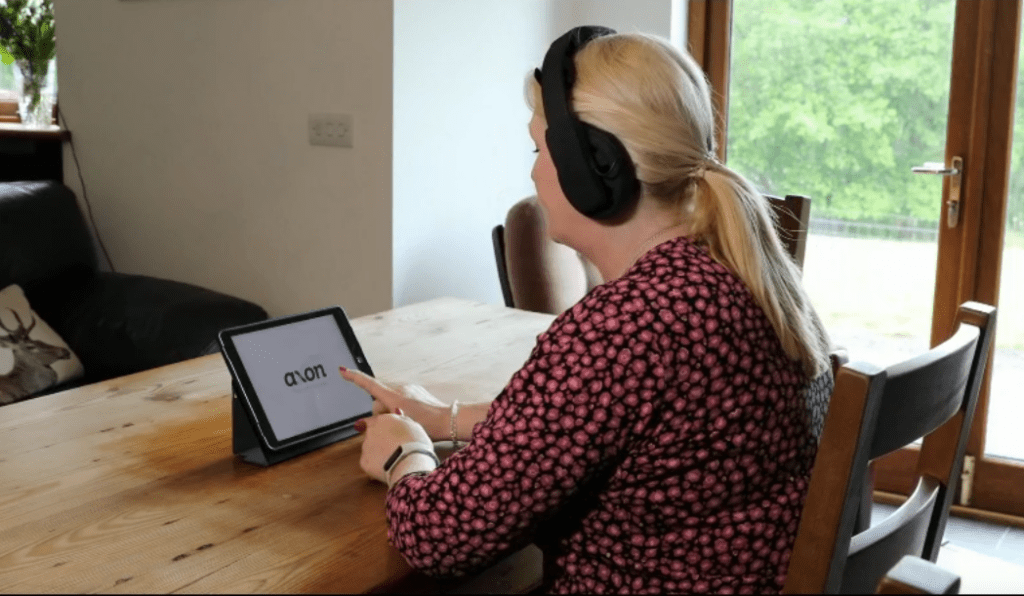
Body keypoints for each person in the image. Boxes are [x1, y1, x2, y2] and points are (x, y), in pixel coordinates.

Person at [341, 26, 833, 594]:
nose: (530, 172)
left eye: (538, 149)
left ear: (594, 169)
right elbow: (589, 423)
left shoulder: (627, 324)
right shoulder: (734, 272)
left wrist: (404, 453)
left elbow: (439, 536)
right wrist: (446, 419)